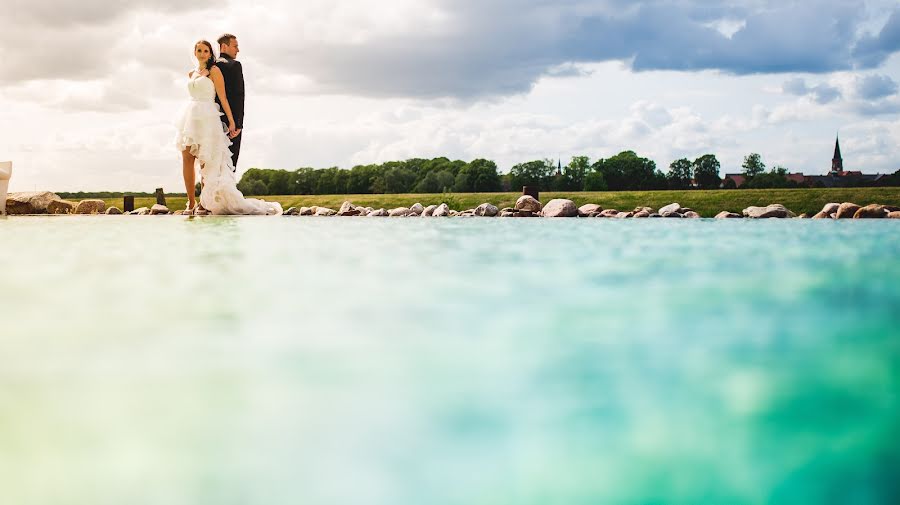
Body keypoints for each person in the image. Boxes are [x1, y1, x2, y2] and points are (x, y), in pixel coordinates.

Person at [174, 40, 281, 215]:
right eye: (199, 50)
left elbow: (222, 98)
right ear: (195, 53)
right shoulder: (191, 73)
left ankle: (204, 203)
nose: (202, 54)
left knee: (206, 161)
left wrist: (232, 121)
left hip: (208, 117)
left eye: (206, 51)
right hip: (190, 118)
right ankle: (190, 202)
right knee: (186, 157)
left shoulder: (214, 71)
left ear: (210, 53)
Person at [215, 33, 244, 170]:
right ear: (224, 46)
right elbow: (239, 96)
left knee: (214, 164)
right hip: (231, 125)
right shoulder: (235, 65)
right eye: (235, 46)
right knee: (229, 164)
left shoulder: (212, 66)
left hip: (211, 120)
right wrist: (238, 124)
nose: (237, 50)